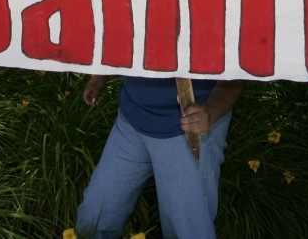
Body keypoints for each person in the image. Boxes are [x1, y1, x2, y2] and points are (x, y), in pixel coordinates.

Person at [75, 75, 244, 239]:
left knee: (187, 227)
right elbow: (115, 45)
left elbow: (237, 69)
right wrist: (99, 78)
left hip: (189, 129)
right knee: (95, 214)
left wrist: (211, 111)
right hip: (132, 119)